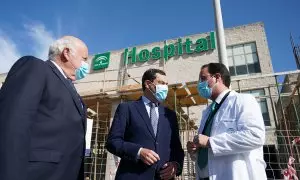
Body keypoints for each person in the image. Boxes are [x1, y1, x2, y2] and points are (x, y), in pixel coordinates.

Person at [0, 36, 89, 180]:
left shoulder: (71, 89)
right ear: (66, 53)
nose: (86, 65)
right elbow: (11, 124)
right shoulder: (35, 67)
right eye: (84, 59)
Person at [186, 63, 267, 180]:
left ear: (217, 77)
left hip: (235, 174)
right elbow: (208, 149)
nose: (200, 84)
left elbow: (255, 136)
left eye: (203, 79)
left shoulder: (243, 100)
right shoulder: (208, 112)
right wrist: (196, 150)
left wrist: (210, 142)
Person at [106, 69, 184, 180]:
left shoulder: (170, 115)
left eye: (167, 84)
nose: (165, 87)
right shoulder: (127, 108)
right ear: (148, 84)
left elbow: (177, 148)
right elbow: (113, 142)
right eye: (162, 83)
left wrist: (176, 165)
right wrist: (139, 152)